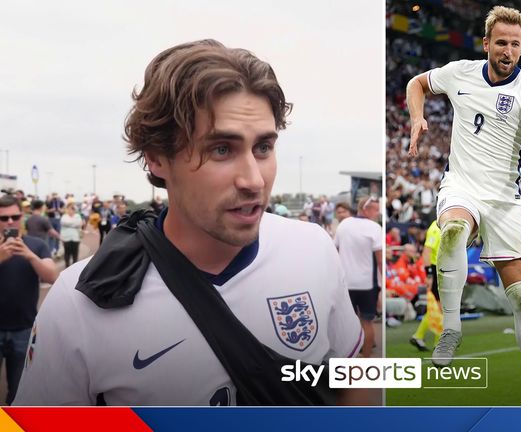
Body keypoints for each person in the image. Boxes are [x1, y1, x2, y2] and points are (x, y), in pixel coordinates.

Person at [14, 39, 362, 406]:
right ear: (157, 158)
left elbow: (355, 373)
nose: (254, 180)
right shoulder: (77, 303)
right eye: (222, 149)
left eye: (263, 148)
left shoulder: (314, 248)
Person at [406, 6, 521, 405]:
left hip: (504, 199)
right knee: (453, 232)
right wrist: (417, 118)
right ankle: (452, 330)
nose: (507, 50)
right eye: (501, 42)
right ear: (487, 43)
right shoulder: (460, 72)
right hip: (461, 186)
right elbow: (416, 84)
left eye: (515, 43)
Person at [0, 195, 59, 404]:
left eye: (14, 217)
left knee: (18, 391)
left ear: (22, 217)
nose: (9, 222)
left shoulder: (36, 244)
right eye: (3, 218)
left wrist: (30, 256)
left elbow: (51, 276)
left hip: (24, 329)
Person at [334, 196, 383, 358]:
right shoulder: (375, 227)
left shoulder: (344, 225)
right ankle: (366, 359)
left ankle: (350, 360)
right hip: (366, 284)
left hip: (346, 283)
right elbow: (380, 260)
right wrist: (383, 286)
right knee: (366, 323)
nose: (378, 212)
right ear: (366, 209)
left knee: (348, 325)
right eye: (375, 209)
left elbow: (335, 252)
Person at [410, 219, 443, 351]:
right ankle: (437, 343)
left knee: (437, 308)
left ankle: (418, 336)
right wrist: (429, 275)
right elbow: (427, 251)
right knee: (440, 308)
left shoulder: (444, 224)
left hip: (442, 268)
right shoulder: (435, 228)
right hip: (435, 270)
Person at [59, 203, 84, 267]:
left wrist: (70, 224)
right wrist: (74, 224)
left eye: (72, 209)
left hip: (76, 237)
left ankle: (74, 266)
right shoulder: (64, 216)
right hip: (66, 237)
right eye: (69, 209)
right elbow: (64, 223)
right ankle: (67, 265)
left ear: (74, 210)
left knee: (75, 253)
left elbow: (79, 223)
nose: (70, 211)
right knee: (67, 252)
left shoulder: (77, 216)